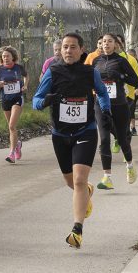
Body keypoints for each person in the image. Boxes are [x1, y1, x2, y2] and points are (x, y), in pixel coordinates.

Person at [33, 32, 111, 249]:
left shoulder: (90, 72)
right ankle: (86, 192)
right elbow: (36, 100)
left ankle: (77, 230)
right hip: (60, 134)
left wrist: (106, 111)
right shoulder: (53, 72)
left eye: (73, 47)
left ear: (81, 50)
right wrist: (44, 102)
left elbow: (102, 93)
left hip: (85, 131)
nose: (68, 51)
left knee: (78, 180)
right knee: (71, 182)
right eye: (65, 47)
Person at [88, 33, 138, 189]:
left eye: (109, 41)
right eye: (103, 41)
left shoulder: (121, 61)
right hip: (100, 105)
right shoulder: (96, 61)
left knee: (122, 139)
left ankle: (130, 165)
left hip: (119, 105)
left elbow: (136, 82)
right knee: (104, 139)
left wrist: (120, 76)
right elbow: (89, 82)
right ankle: (107, 177)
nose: (106, 44)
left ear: (115, 44)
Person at [0, 46, 28, 163]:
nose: (5, 58)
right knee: (11, 127)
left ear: (13, 57)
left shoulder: (19, 67)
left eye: (7, 56)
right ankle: (17, 144)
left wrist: (25, 85)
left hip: (17, 98)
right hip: (5, 100)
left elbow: (26, 76)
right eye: (3, 56)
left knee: (11, 126)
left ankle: (11, 154)